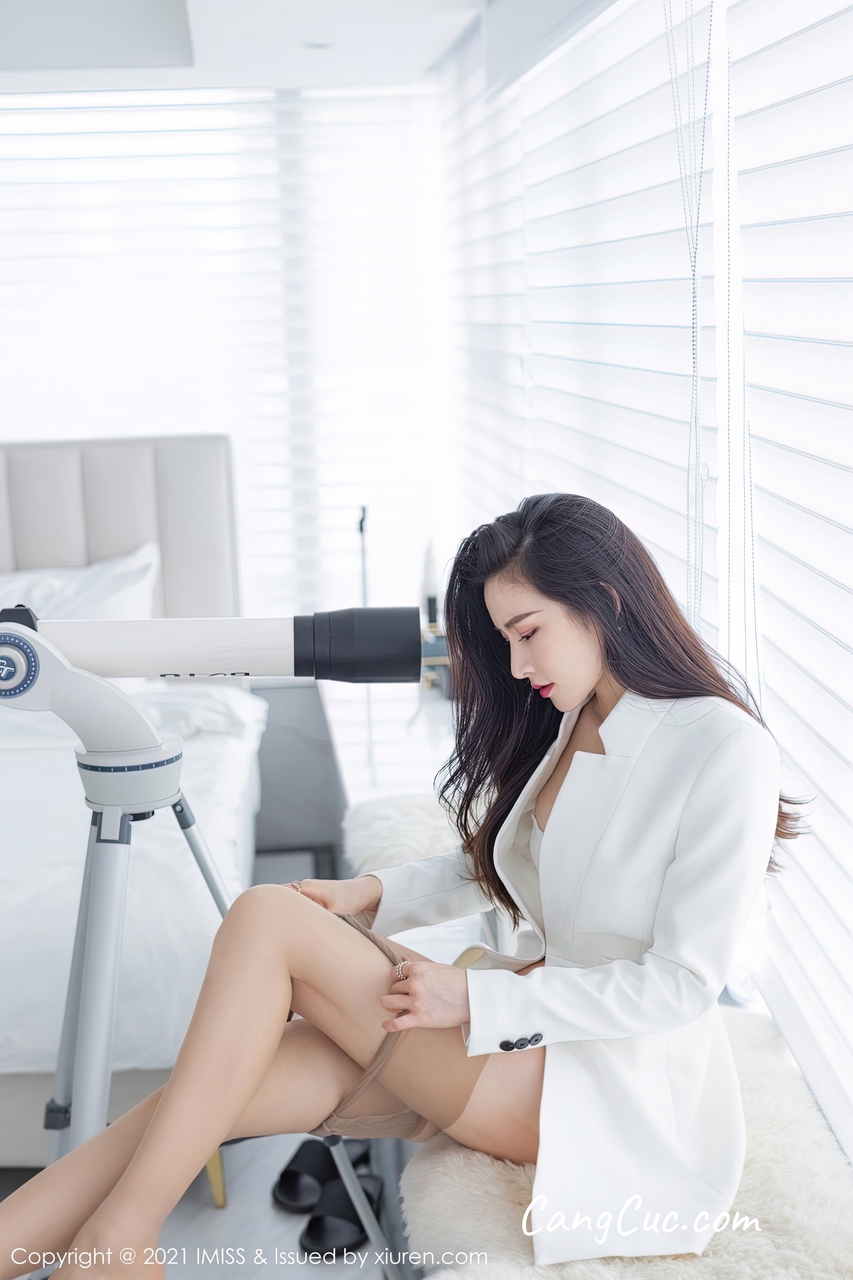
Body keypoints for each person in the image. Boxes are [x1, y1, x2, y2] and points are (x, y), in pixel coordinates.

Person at [0, 493, 792, 1276]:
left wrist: (473, 998)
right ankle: (101, 1249)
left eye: (527, 633)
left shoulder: (722, 748)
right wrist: (368, 895)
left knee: (266, 920)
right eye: (505, 641)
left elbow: (680, 985)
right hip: (530, 1040)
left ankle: (121, 1245)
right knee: (186, 1107)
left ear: (605, 602)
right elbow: (513, 860)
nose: (517, 667)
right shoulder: (576, 718)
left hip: (604, 1088)